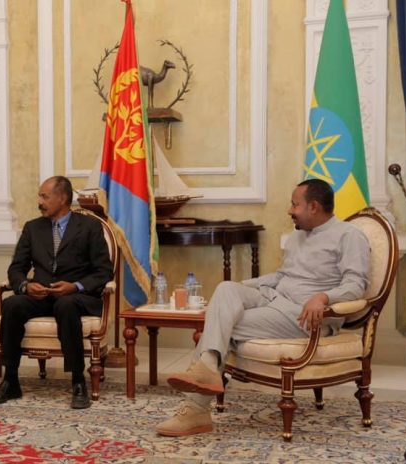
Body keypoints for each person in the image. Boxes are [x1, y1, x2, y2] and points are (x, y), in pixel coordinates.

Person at [156, 179, 370, 436]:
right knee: (225, 290)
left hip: (303, 316)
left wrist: (324, 297)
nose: (290, 210)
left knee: (224, 322)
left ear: (313, 207)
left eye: (295, 205)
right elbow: (281, 277)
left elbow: (356, 285)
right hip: (274, 299)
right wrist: (240, 288)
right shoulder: (297, 236)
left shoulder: (349, 236)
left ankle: (196, 408)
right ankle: (208, 369)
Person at [0, 176, 113, 409]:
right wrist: (25, 286)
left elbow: (103, 271)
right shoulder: (32, 228)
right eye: (40, 196)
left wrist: (75, 286)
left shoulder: (89, 227)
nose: (40, 202)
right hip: (41, 296)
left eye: (45, 196)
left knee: (66, 305)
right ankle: (11, 380)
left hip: (77, 297)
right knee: (12, 304)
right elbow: (16, 268)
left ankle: (78, 381)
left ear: (62, 198)